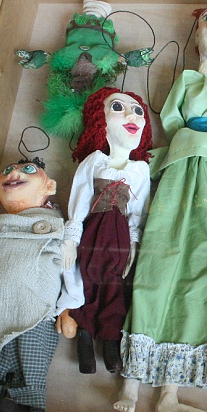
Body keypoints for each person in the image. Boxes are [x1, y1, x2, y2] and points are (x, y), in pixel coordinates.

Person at [114, 3, 207, 412]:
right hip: (180, 166)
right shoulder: (187, 80)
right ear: (196, 34)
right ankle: (131, 383)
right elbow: (172, 120)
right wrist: (183, 149)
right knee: (158, 260)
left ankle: (169, 393)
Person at [0, 159, 83, 412]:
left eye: (27, 170)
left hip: (36, 307)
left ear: (49, 186)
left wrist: (67, 310)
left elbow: (68, 271)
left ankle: (18, 403)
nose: (13, 173)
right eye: (7, 171)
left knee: (31, 354)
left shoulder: (58, 228)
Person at [61, 88, 152, 374]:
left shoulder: (140, 170)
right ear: (100, 120)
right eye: (118, 107)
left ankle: (111, 341)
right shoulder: (94, 162)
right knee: (87, 279)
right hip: (93, 230)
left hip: (120, 235)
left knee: (114, 285)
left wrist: (134, 242)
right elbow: (79, 200)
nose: (131, 116)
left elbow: (138, 210)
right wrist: (71, 238)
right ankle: (85, 339)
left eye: (138, 111)